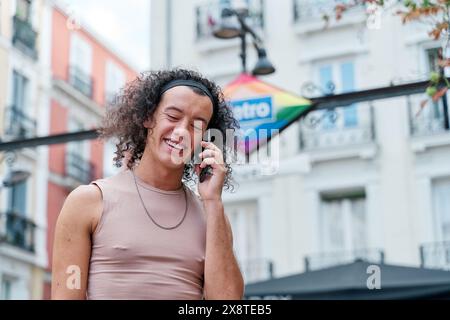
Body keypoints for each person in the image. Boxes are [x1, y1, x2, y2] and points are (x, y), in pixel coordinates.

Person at [51, 69, 244, 299]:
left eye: (197, 125)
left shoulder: (212, 216)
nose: (182, 131)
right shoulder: (88, 202)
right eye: (172, 117)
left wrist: (213, 201)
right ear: (147, 117)